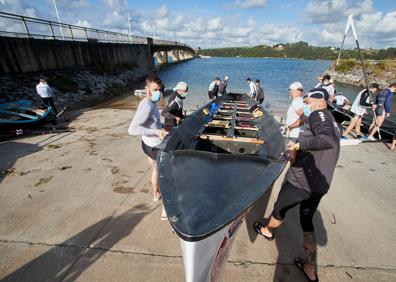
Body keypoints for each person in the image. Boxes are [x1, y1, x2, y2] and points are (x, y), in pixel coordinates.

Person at [253, 89, 341, 282]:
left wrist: (298, 145)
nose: (305, 106)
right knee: (306, 220)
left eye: (308, 101)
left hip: (301, 181)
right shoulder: (329, 118)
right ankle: (310, 268)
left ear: (319, 102)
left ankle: (267, 230)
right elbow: (312, 128)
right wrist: (293, 136)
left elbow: (326, 140)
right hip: (320, 185)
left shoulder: (318, 114)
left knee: (279, 209)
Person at [128, 74, 168, 213]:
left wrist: (160, 126)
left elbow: (150, 123)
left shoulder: (149, 102)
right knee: (166, 175)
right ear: (147, 89)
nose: (158, 93)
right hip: (154, 146)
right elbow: (132, 129)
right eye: (154, 89)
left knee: (155, 170)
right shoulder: (147, 106)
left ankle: (155, 195)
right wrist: (157, 132)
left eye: (159, 90)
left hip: (146, 145)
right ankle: (166, 210)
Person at [286, 82, 305, 146]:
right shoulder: (300, 100)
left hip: (295, 134)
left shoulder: (297, 101)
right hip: (297, 133)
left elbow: (304, 115)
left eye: (290, 90)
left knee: (291, 153)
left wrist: (291, 127)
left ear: (294, 90)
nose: (290, 92)